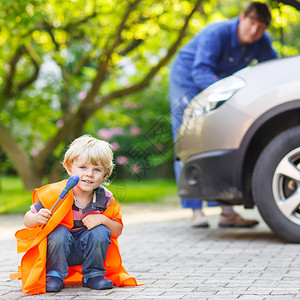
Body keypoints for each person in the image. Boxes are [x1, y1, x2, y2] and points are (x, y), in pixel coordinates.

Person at [169, 1, 278, 228]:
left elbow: (274, 68)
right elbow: (200, 71)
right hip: (187, 81)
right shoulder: (216, 33)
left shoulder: (261, 41)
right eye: (252, 24)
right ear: (242, 17)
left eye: (261, 28)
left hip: (220, 85)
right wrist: (230, 95)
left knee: (224, 135)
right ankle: (196, 212)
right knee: (187, 139)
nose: (255, 31)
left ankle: (227, 212)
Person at [13, 135, 142, 294]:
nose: (89, 174)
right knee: (58, 231)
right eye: (83, 168)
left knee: (101, 231)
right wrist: (36, 217)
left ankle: (93, 274)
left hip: (86, 250)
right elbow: (27, 219)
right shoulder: (56, 194)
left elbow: (117, 230)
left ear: (105, 175)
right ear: (69, 168)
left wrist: (103, 219)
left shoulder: (104, 198)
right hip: (58, 251)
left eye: (97, 170)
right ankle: (54, 275)